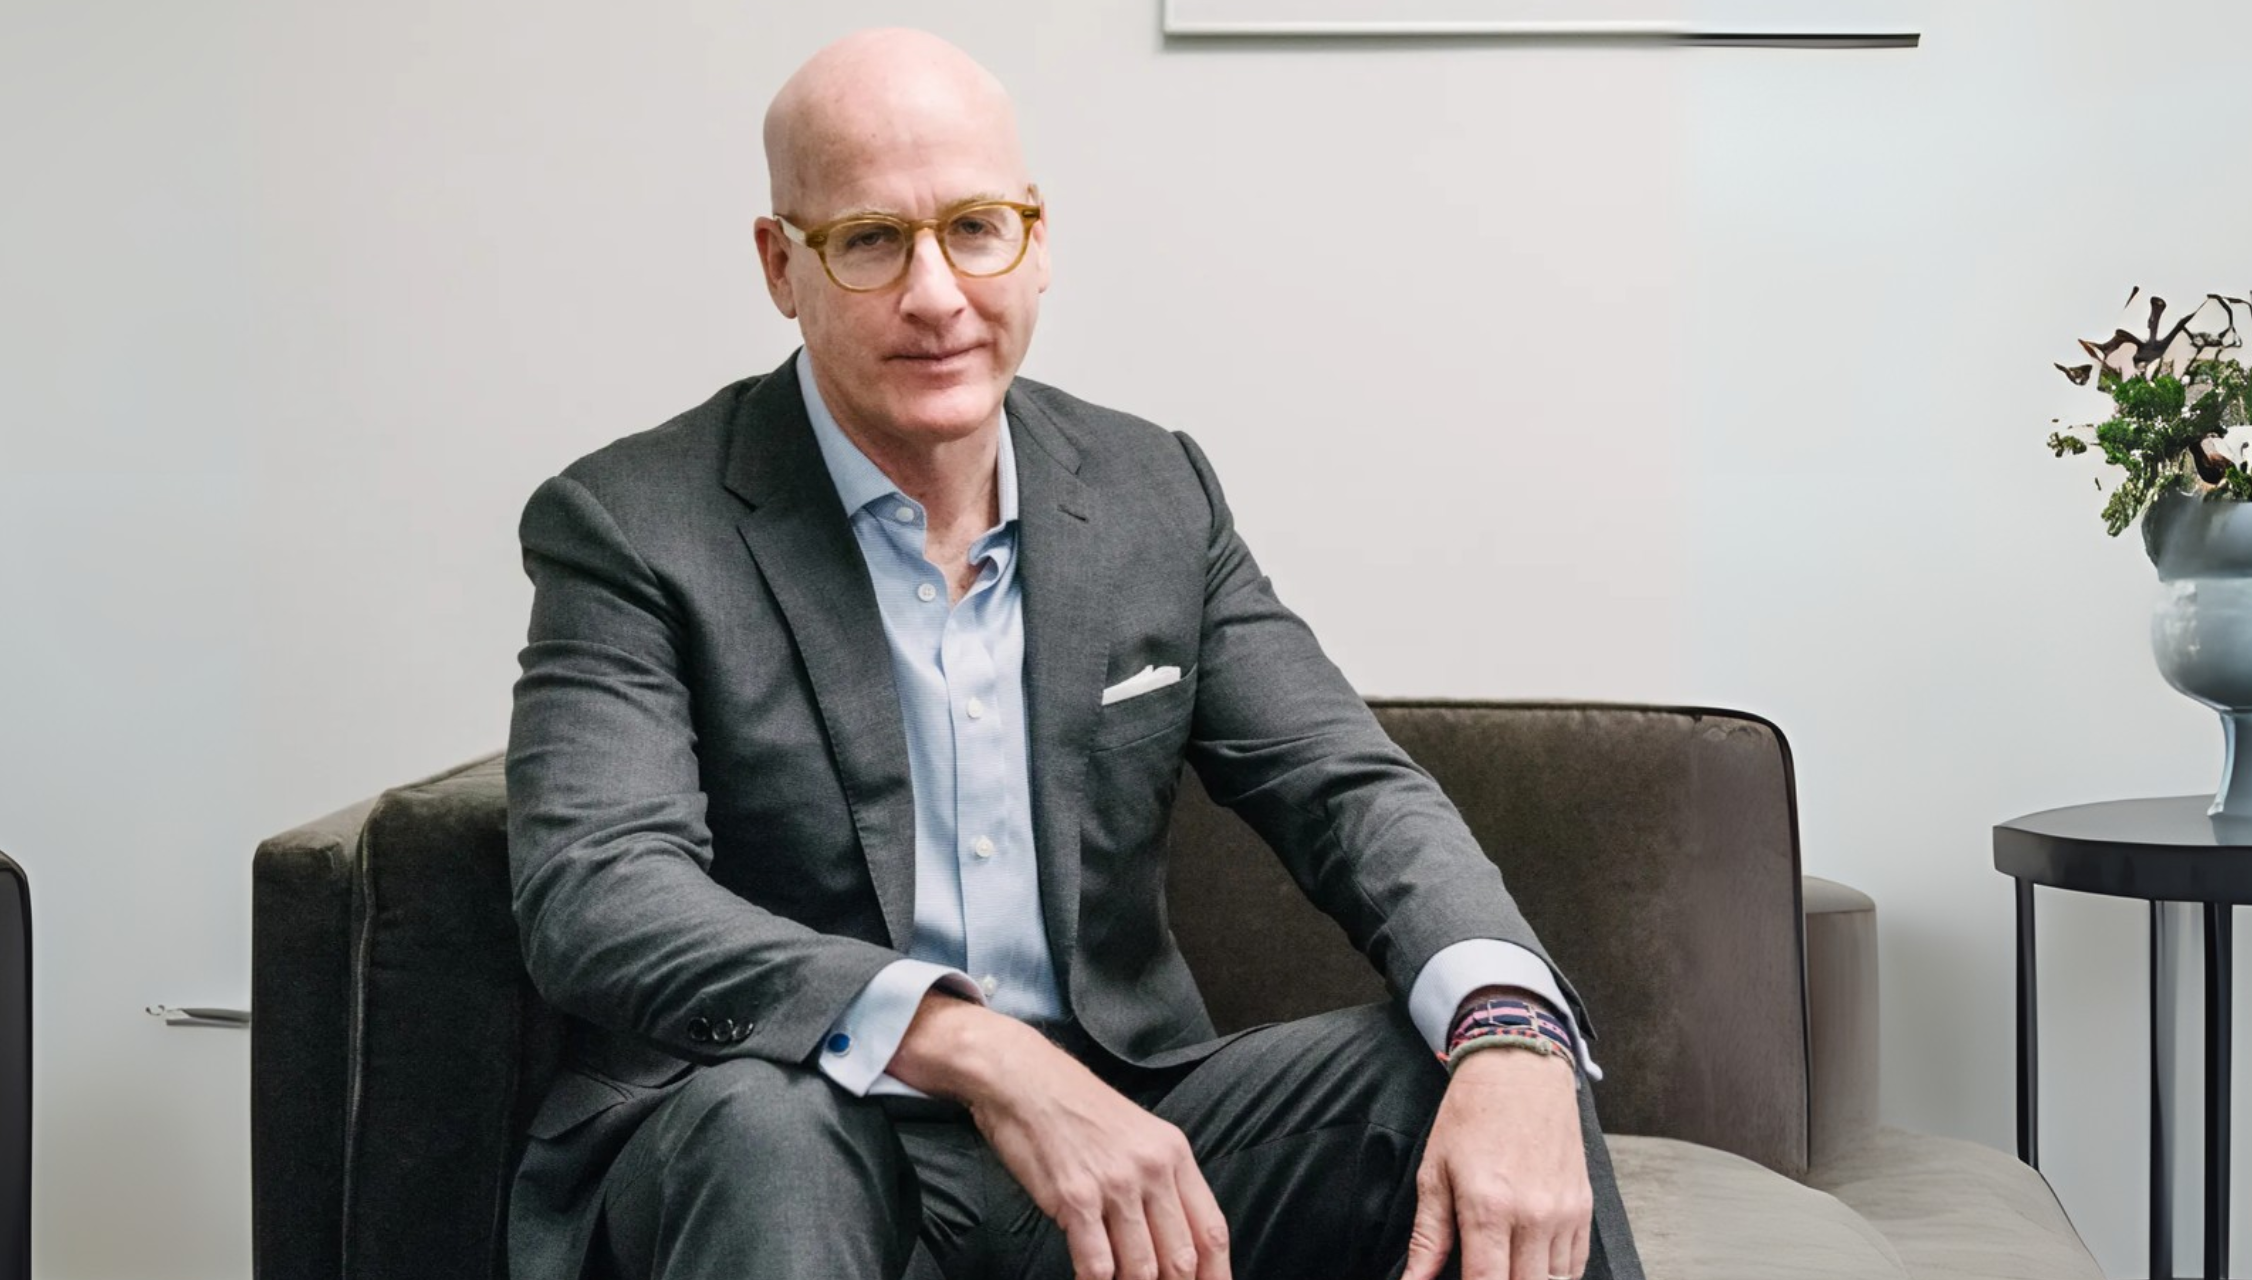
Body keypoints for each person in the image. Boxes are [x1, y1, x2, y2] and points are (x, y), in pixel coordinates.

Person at [504, 27, 1642, 1280]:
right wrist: (978, 1048)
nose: (937, 295)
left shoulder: (1153, 491)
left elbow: (1344, 786)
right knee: (768, 1127)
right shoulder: (635, 522)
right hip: (802, 1138)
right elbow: (599, 888)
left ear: (1036, 239)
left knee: (1495, 1077)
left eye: (974, 228)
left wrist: (1509, 1024)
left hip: (1123, 1124)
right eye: (871, 240)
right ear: (783, 264)